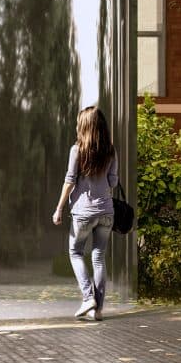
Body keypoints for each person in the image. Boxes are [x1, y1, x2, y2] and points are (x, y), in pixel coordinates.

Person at [51, 103, 118, 322]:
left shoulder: (77, 149)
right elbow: (113, 182)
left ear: (84, 126)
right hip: (107, 211)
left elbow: (70, 181)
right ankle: (96, 310)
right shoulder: (110, 150)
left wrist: (59, 208)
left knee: (76, 253)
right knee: (99, 257)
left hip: (83, 213)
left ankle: (88, 297)